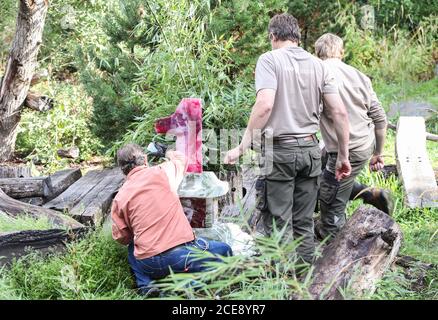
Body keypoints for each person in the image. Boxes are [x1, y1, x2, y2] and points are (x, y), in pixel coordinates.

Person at [224, 13, 351, 264]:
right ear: (296, 36)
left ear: (273, 36)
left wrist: (242, 146)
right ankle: (303, 280)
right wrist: (343, 156)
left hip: (278, 152)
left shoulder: (269, 60)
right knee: (303, 221)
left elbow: (264, 106)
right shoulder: (320, 65)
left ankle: (280, 282)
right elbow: (339, 112)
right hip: (311, 150)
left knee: (277, 221)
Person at [111, 143, 232, 296]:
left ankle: (146, 286)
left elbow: (122, 237)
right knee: (224, 250)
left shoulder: (120, 197)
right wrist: (167, 152)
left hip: (148, 264)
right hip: (182, 257)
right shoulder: (163, 172)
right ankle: (193, 283)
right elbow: (182, 159)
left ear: (122, 170)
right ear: (146, 160)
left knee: (132, 245)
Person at [314, 33, 392, 241]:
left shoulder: (317, 74)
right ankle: (370, 193)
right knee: (316, 177)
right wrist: (378, 152)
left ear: (317, 52)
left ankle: (341, 247)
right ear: (341, 52)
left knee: (329, 216)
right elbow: (380, 118)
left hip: (345, 150)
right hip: (363, 145)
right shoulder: (359, 76)